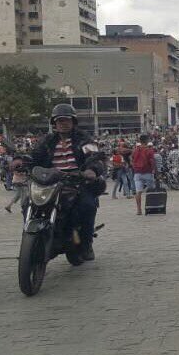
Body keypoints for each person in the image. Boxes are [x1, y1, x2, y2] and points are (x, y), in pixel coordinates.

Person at [29, 104, 106, 261]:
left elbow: (95, 156)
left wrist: (92, 170)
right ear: (54, 124)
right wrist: (20, 160)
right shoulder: (47, 141)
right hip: (50, 183)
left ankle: (86, 243)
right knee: (28, 202)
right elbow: (34, 156)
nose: (63, 123)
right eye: (59, 120)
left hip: (77, 182)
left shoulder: (83, 139)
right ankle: (34, 236)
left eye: (67, 120)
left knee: (87, 205)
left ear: (73, 122)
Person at [131, 134, 157, 216]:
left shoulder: (135, 150)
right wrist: (155, 171)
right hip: (147, 172)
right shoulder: (149, 150)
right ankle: (151, 207)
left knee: (138, 192)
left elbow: (132, 159)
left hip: (137, 173)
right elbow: (152, 161)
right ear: (147, 140)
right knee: (151, 190)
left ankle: (139, 210)